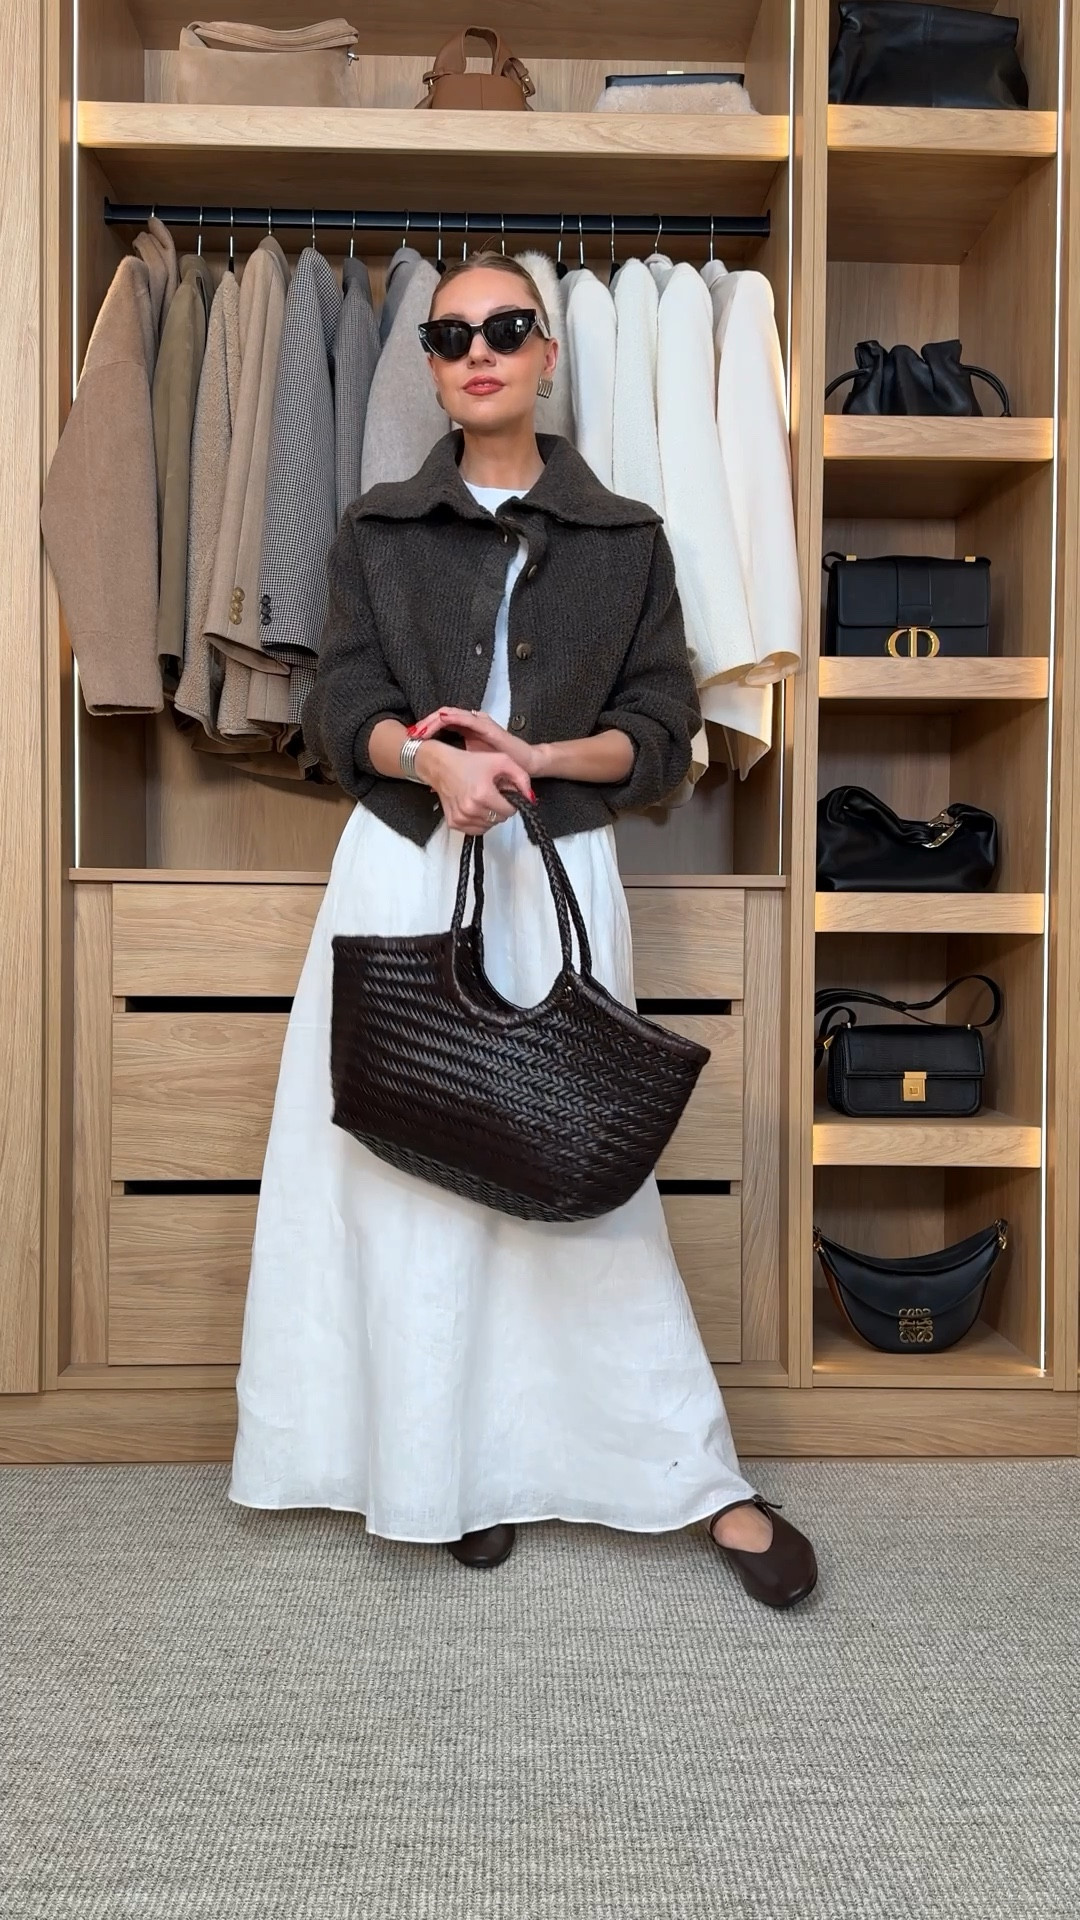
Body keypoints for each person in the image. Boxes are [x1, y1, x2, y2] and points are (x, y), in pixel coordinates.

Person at [228, 252, 818, 1610]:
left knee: (571, 1168)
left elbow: (664, 737)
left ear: (549, 355)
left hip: (554, 866)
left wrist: (534, 755)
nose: (476, 350)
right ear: (428, 366)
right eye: (448, 335)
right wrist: (431, 763)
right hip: (401, 866)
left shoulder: (626, 536)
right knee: (405, 1172)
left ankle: (693, 1474)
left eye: (506, 328)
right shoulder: (380, 526)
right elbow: (342, 707)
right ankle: (446, 1473)